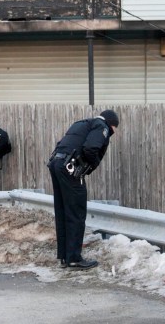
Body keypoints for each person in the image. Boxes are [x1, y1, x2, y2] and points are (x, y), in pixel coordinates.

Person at [47, 109, 119, 270]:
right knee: (76, 213)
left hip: (56, 164)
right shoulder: (102, 126)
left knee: (63, 211)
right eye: (114, 130)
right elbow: (91, 148)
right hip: (70, 168)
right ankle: (74, 258)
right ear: (111, 123)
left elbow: (64, 144)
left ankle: (65, 257)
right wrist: (90, 166)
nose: (111, 133)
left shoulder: (81, 124)